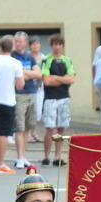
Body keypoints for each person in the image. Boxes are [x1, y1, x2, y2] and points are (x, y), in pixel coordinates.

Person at [0, 35, 25, 174]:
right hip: (7, 100)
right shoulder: (15, 63)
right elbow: (20, 85)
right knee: (3, 133)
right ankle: (1, 162)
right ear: (12, 47)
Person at [40, 35, 76, 166]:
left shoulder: (67, 60)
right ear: (52, 45)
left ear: (62, 46)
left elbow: (71, 79)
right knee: (50, 128)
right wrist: (63, 79)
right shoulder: (46, 60)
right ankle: (46, 156)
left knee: (62, 128)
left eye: (59, 44)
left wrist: (56, 78)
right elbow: (46, 80)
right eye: (55, 44)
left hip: (64, 98)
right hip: (50, 99)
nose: (57, 47)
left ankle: (58, 156)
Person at [11, 32, 42, 170]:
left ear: (25, 43)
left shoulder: (30, 57)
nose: (17, 44)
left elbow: (39, 74)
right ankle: (19, 157)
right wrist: (25, 74)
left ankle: (24, 157)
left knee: (27, 128)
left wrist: (24, 73)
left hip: (31, 93)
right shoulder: (12, 56)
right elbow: (14, 75)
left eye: (20, 41)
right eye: (16, 41)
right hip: (18, 94)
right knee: (19, 127)